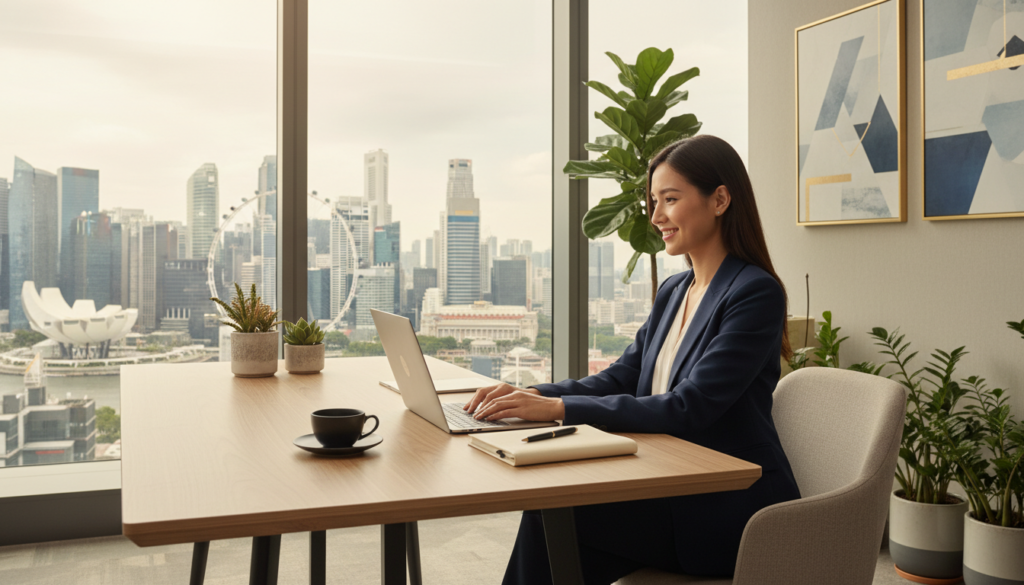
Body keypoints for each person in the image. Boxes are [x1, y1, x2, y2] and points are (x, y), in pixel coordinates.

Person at [464, 135, 802, 585]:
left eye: (670, 199)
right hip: (668, 481)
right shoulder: (675, 290)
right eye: (653, 201)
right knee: (554, 524)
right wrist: (534, 394)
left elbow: (689, 405)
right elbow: (625, 375)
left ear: (720, 199)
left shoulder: (753, 292)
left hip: (726, 505)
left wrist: (558, 410)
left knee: (554, 518)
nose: (656, 216)